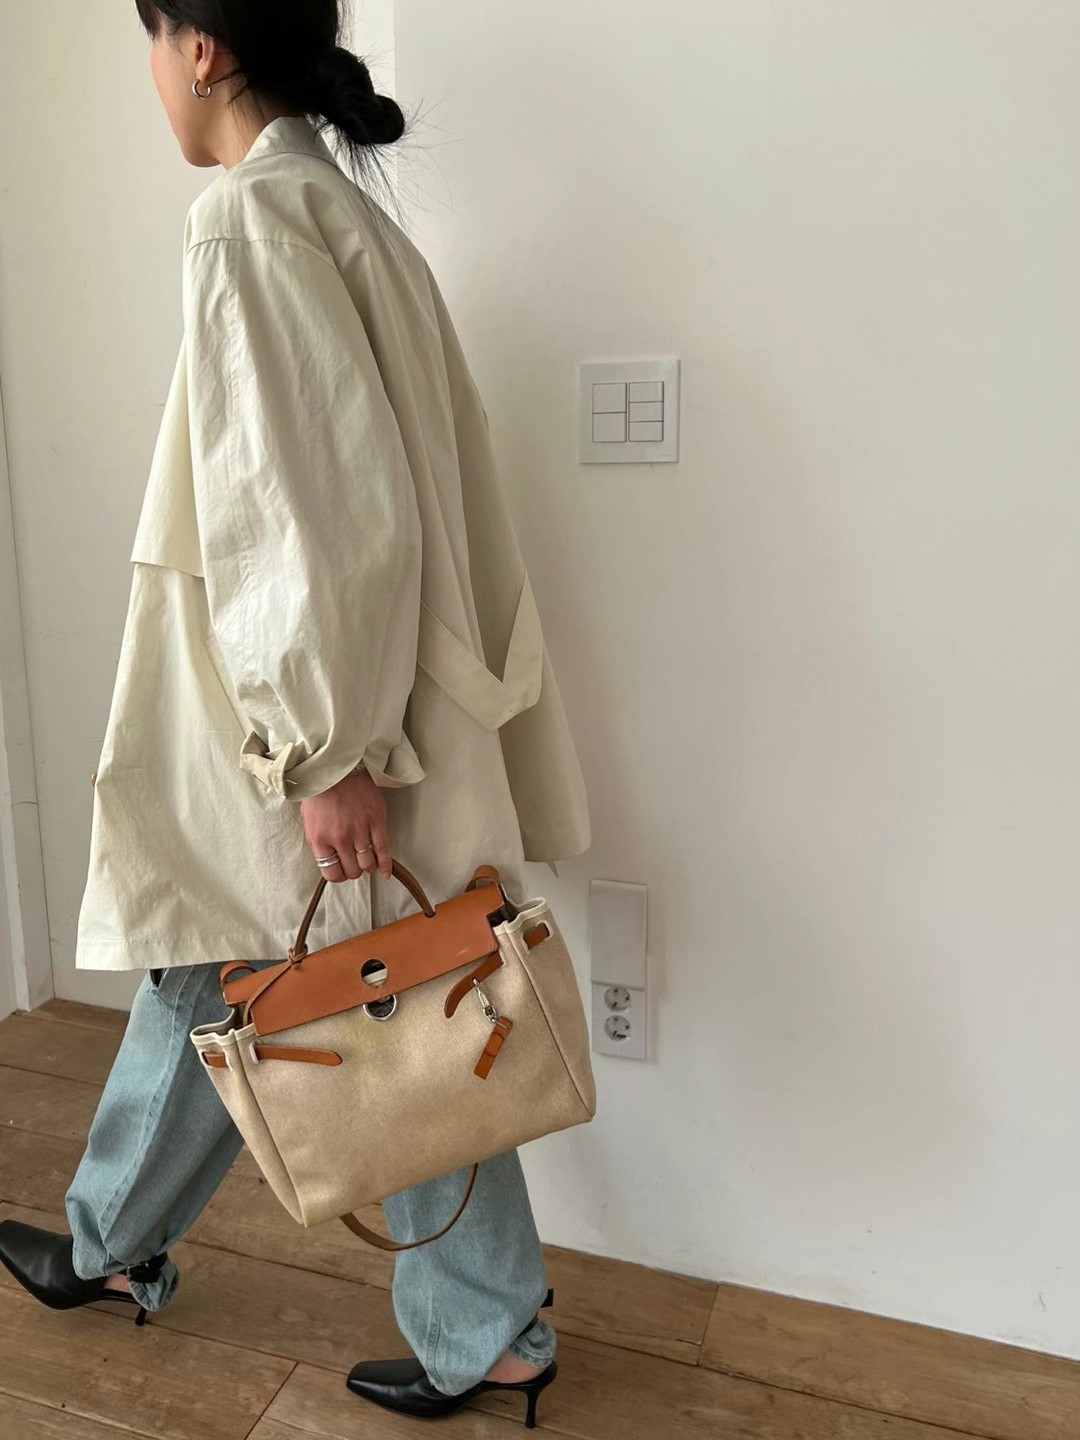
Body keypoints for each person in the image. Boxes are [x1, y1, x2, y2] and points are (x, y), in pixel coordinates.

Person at [0, 1, 590, 1429]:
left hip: (314, 723)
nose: (152, 75)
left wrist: (325, 751)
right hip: (352, 704)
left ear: (200, 48)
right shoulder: (337, 210)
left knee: (381, 999)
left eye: (152, 40)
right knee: (324, 985)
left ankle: (471, 1324)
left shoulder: (251, 220)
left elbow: (303, 515)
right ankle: (117, 1242)